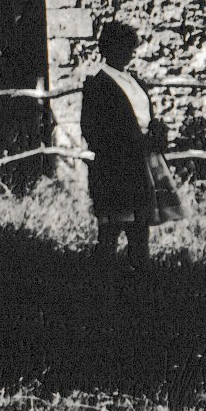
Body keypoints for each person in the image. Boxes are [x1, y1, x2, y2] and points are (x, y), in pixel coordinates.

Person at [81, 21, 164, 271]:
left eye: (130, 47)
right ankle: (103, 282)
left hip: (139, 165)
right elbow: (92, 130)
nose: (128, 52)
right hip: (114, 167)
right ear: (108, 49)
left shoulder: (134, 82)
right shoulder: (98, 84)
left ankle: (139, 281)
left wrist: (156, 132)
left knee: (139, 229)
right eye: (123, 47)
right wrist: (128, 142)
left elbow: (144, 117)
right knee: (110, 230)